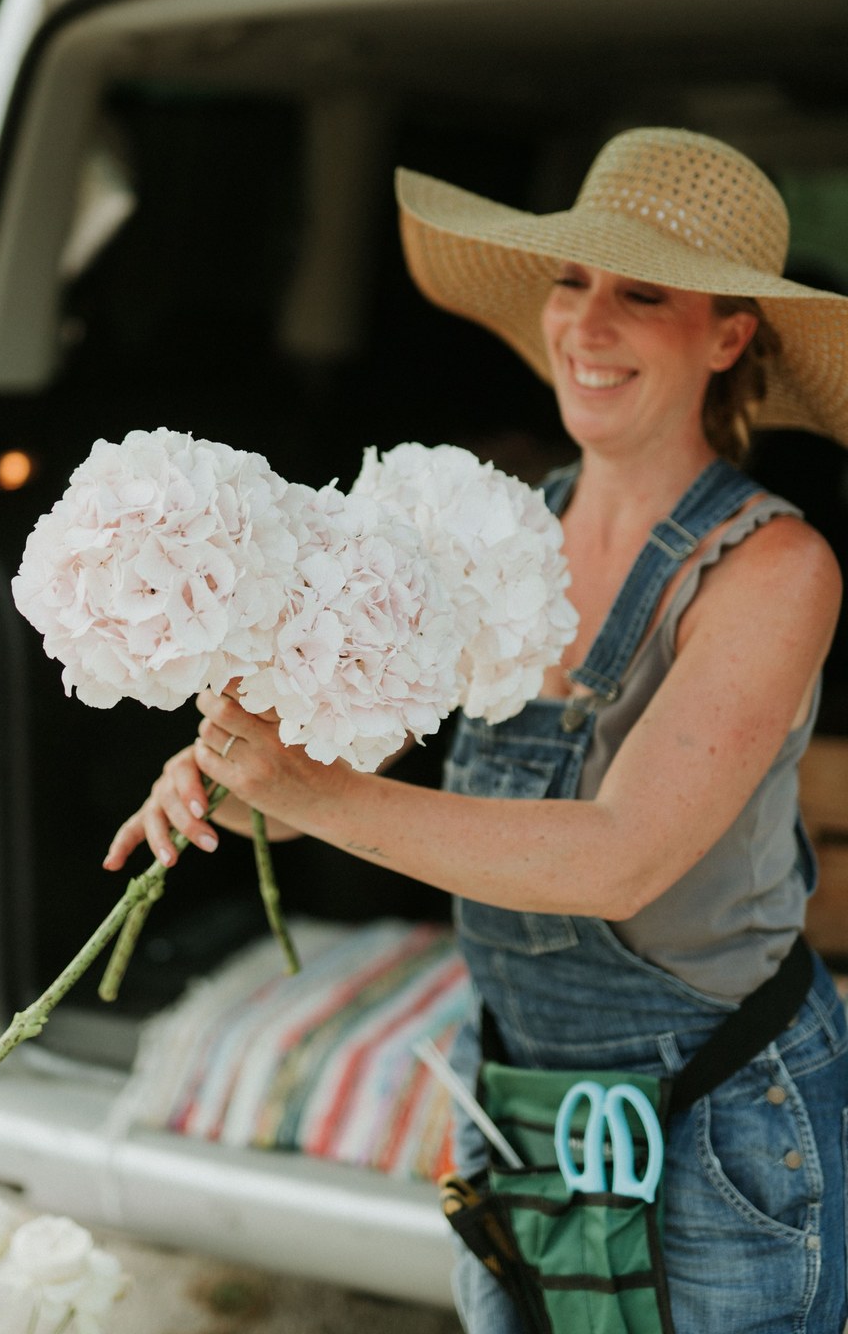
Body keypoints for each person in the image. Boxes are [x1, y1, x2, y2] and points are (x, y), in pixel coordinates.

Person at [104, 127, 848, 1332]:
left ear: (728, 336)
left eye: (641, 295)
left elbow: (621, 858)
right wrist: (225, 780)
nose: (586, 325)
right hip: (516, 1099)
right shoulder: (490, 532)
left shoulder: (774, 568)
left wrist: (307, 794)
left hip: (718, 1120)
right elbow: (336, 771)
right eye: (573, 282)